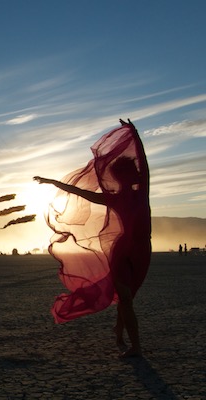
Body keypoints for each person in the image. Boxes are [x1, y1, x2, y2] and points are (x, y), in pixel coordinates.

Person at [34, 119, 151, 358]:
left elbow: (144, 164)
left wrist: (134, 134)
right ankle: (136, 347)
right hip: (122, 250)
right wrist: (51, 182)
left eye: (127, 175)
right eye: (121, 176)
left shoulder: (142, 191)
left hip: (141, 250)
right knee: (126, 297)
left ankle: (119, 329)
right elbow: (81, 193)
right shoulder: (114, 198)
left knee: (128, 296)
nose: (123, 180)